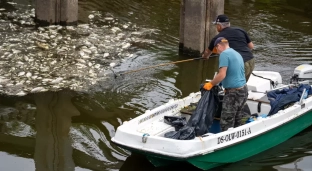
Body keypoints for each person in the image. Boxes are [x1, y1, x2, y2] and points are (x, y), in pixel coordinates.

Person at [203, 37, 248, 132]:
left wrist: (210, 84)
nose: (217, 52)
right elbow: (234, 72)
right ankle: (237, 141)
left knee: (226, 122)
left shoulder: (224, 54)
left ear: (218, 46)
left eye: (216, 49)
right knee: (237, 119)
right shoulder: (237, 53)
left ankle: (227, 143)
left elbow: (222, 74)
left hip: (233, 93)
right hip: (243, 90)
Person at [202, 14, 255, 82]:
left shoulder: (218, 38)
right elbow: (251, 46)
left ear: (219, 26)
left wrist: (205, 56)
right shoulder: (240, 30)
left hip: (240, 64)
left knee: (232, 87)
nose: (216, 27)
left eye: (216, 25)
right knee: (242, 85)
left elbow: (207, 53)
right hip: (251, 60)